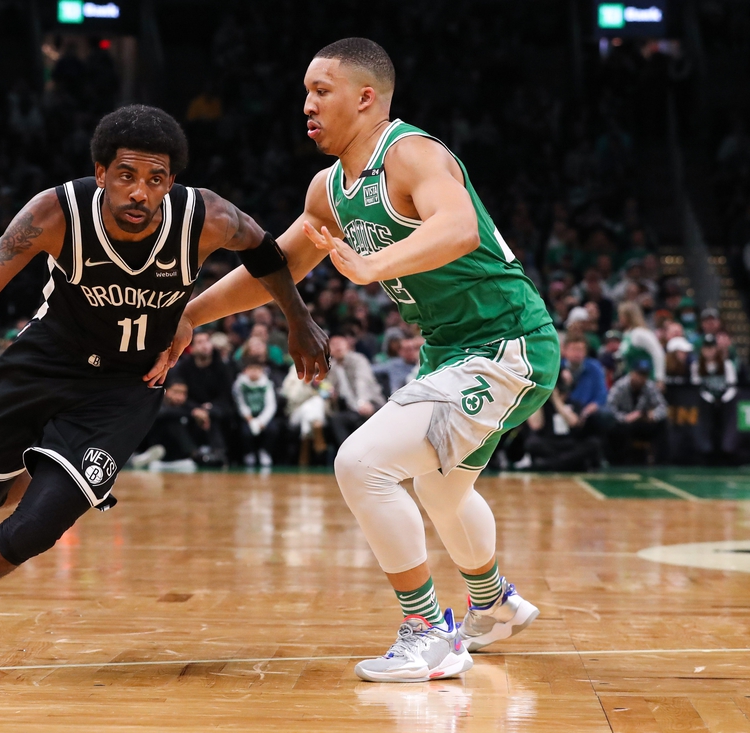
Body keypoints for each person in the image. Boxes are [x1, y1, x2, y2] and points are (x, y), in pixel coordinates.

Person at [0, 105, 328, 674]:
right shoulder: (55, 213)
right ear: (100, 174)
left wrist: (298, 319)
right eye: (126, 175)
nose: (140, 192)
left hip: (123, 388)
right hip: (41, 367)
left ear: (172, 182)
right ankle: (52, 466)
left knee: (36, 529)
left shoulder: (206, 217)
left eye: (155, 179)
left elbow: (266, 251)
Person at [148, 39, 557, 682]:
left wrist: (374, 266)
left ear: (366, 98)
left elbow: (459, 229)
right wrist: (190, 314)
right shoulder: (330, 188)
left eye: (321, 91)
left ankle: (427, 632)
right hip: (452, 349)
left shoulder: (412, 152)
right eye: (305, 93)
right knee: (442, 488)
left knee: (362, 463)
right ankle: (494, 604)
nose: (306, 106)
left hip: (508, 343)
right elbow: (276, 269)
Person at [607, 358, 668, 463]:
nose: (641, 378)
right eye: (639, 374)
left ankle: (661, 461)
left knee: (663, 424)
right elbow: (609, 407)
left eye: (644, 375)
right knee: (617, 427)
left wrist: (653, 415)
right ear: (632, 373)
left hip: (642, 421)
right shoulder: (620, 386)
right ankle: (621, 461)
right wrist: (625, 417)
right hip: (624, 423)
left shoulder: (649, 386)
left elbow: (663, 407)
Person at [328, 334, 384, 446]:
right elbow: (330, 387)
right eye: (333, 344)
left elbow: (362, 381)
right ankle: (346, 455)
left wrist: (363, 402)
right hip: (351, 408)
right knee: (336, 419)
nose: (337, 346)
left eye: (340, 343)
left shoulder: (358, 359)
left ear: (347, 345)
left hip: (371, 403)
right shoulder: (332, 367)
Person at [691, 333, 739, 463]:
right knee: (704, 413)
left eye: (712, 347)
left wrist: (722, 398)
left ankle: (727, 449)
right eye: (706, 348)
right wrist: (710, 398)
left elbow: (732, 385)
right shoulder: (696, 366)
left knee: (730, 413)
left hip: (725, 400)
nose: (709, 351)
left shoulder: (726, 364)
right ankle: (705, 449)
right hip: (706, 401)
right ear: (702, 350)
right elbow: (696, 388)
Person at [232, 357, 279, 467]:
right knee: (245, 432)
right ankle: (249, 453)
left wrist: (262, 421)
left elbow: (271, 405)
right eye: (251, 369)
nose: (254, 372)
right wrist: (248, 418)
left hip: (263, 416)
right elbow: (240, 402)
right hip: (247, 416)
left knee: (273, 430)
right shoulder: (239, 384)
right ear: (245, 371)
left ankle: (265, 452)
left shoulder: (267, 384)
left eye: (257, 369)